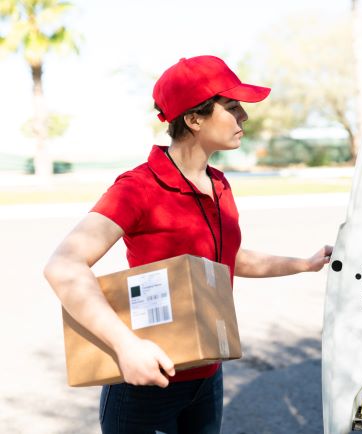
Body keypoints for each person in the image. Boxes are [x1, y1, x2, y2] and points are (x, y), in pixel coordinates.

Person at [43, 55, 333, 434]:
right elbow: (63, 266)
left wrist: (303, 263)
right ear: (194, 119)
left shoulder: (220, 185)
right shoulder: (139, 187)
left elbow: (227, 258)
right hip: (147, 382)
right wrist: (126, 347)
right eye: (231, 107)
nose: (243, 116)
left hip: (207, 377)